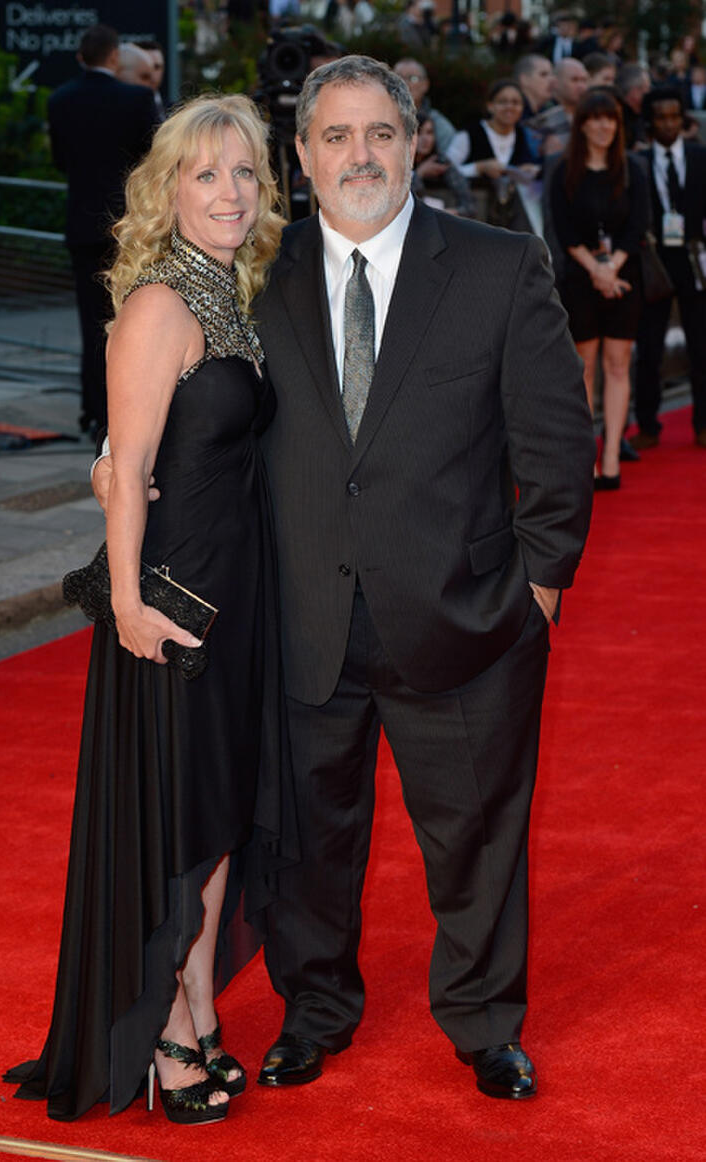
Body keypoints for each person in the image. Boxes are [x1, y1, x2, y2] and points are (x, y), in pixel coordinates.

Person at [248, 56, 594, 1099]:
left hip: (466, 614)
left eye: (382, 134)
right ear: (302, 155)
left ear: (415, 145)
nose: (362, 155)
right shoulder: (253, 268)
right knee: (303, 836)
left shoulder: (494, 264)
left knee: (476, 833)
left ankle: (484, 1020)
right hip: (302, 614)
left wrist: (540, 584)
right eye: (338, 136)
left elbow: (555, 437)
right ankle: (313, 1009)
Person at [5, 94, 295, 1123]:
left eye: (243, 172)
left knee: (213, 824)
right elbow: (126, 468)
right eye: (204, 172)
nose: (226, 190)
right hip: (171, 609)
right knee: (176, 823)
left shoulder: (232, 292)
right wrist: (124, 602)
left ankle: (201, 1009)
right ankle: (168, 1036)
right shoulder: (161, 303)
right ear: (164, 191)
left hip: (237, 599)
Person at [47, 24, 158, 438]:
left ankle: (93, 411)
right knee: (129, 323)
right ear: (114, 57)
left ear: (81, 58)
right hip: (125, 229)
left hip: (81, 228)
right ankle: (122, 412)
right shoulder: (138, 99)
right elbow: (152, 161)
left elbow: (61, 160)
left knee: (89, 323)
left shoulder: (60, 101)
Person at [550, 87, 649, 488]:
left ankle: (612, 455)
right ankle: (586, 455)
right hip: (581, 277)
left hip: (625, 277)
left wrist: (611, 271)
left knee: (618, 365)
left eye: (610, 118)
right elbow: (564, 230)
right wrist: (596, 270)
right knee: (584, 369)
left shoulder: (632, 169)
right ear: (583, 124)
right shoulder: (564, 171)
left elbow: (638, 225)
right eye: (595, 118)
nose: (604, 125)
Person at [631, 87, 706, 450]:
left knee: (702, 345)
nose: (669, 124)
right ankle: (647, 424)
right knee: (649, 347)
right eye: (660, 118)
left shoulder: (700, 156)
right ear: (649, 123)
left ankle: (703, 424)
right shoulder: (639, 163)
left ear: (684, 119)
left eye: (674, 116)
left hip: (694, 259)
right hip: (655, 261)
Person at [447, 78, 541, 231]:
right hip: (474, 219)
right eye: (502, 102)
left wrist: (531, 170)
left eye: (516, 102)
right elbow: (445, 170)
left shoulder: (526, 136)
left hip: (512, 221)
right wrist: (478, 168)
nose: (509, 107)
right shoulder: (469, 135)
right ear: (490, 106)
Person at [412, 113, 474, 215]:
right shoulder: (398, 164)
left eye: (429, 132)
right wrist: (419, 174)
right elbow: (400, 204)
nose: (425, 139)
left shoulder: (441, 162)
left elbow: (470, 205)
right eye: (418, 133)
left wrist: (450, 213)